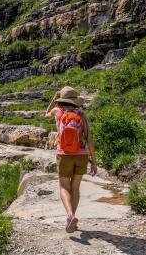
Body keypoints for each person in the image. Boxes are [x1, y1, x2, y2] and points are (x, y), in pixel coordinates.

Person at [45, 86, 98, 233]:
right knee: (75, 187)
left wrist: (53, 101)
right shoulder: (81, 114)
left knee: (63, 187)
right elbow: (89, 139)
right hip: (81, 155)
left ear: (61, 100)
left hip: (64, 154)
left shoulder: (57, 111)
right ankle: (72, 219)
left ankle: (70, 215)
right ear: (75, 101)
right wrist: (94, 161)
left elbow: (45, 115)